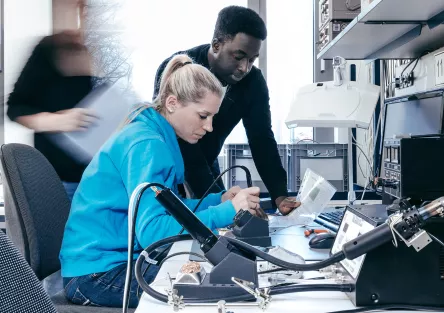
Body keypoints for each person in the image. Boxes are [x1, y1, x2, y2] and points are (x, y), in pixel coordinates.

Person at [59, 54, 263, 308]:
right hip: (95, 275)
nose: (209, 127)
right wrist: (227, 211)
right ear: (172, 103)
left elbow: (170, 208)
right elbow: (153, 233)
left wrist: (218, 200)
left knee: (210, 280)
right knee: (219, 293)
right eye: (202, 116)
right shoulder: (148, 145)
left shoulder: (152, 134)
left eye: (212, 117)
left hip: (104, 265)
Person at [154, 6, 300, 215]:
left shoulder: (253, 83)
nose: (244, 67)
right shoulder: (178, 69)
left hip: (207, 163)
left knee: (226, 222)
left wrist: (279, 194)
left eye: (252, 59)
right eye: (238, 56)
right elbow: (181, 143)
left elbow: (262, 139)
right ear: (216, 45)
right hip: (173, 163)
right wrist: (225, 207)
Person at [6, 30, 97, 201]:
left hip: (96, 176)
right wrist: (56, 121)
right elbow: (14, 108)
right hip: (59, 179)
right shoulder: (48, 49)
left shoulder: (91, 49)